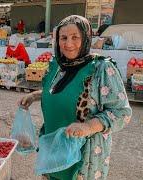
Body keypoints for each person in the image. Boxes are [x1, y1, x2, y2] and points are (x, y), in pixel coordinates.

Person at [18, 15, 132, 180]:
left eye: (75, 37)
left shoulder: (101, 69)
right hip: (53, 153)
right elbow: (62, 92)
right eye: (63, 38)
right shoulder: (58, 65)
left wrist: (88, 127)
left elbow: (122, 112)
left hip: (83, 160)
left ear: (86, 38)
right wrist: (36, 96)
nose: (68, 44)